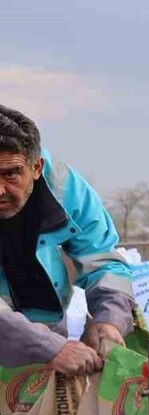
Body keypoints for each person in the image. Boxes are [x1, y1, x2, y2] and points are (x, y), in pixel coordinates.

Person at [0, 105, 135, 373]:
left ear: (36, 167)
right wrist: (48, 347)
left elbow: (103, 259)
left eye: (11, 174)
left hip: (43, 314)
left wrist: (109, 319)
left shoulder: (64, 187)